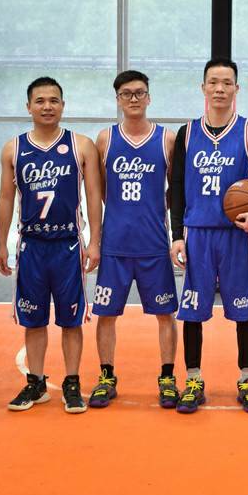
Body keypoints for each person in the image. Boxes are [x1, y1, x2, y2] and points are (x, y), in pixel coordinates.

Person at [169, 58, 248, 414]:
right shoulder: (187, 133)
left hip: (237, 236)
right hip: (197, 234)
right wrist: (176, 234)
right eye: (213, 82)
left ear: (237, 88)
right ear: (203, 87)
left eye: (227, 82)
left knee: (243, 311)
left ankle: (247, 380)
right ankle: (193, 380)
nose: (220, 88)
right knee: (192, 311)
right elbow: (176, 187)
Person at [0, 77, 102, 414]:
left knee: (71, 320)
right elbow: (5, 198)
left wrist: (95, 241)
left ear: (63, 106)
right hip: (32, 245)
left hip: (68, 244)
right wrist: (1, 244)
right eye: (40, 101)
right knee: (33, 319)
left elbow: (94, 196)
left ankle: (72, 382)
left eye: (53, 100)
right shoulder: (13, 148)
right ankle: (36, 382)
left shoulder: (81, 145)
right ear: (28, 106)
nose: (47, 106)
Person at [90, 70, 179, 409]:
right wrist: (103, 233)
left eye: (140, 92)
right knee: (106, 314)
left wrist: (156, 213)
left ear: (149, 97)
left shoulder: (167, 139)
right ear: (118, 99)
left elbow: (176, 190)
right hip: (115, 245)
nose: (133, 98)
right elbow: (100, 191)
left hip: (154, 244)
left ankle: (167, 377)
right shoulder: (105, 139)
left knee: (165, 314)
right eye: (126, 93)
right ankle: (106, 376)